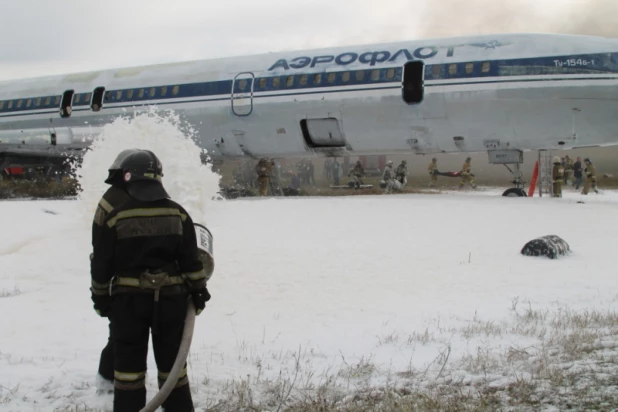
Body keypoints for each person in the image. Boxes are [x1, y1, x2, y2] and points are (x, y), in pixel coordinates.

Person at [90, 149, 210, 411]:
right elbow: (192, 261)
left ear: (128, 176)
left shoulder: (115, 213)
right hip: (172, 303)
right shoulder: (178, 213)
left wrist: (100, 298)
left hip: (128, 306)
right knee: (174, 372)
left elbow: (101, 262)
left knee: (128, 375)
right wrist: (200, 292)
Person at [92, 149, 138, 395]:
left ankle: (109, 379)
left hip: (119, 282)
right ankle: (109, 381)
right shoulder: (120, 201)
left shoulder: (114, 196)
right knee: (122, 336)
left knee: (121, 334)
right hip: (122, 283)